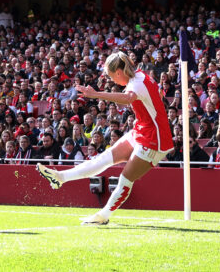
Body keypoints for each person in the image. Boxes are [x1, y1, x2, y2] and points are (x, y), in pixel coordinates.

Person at [36, 52, 173, 226]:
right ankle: (60, 177)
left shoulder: (137, 83)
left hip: (155, 139)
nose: (113, 81)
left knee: (125, 179)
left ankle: (103, 216)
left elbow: (127, 98)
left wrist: (96, 94)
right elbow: (155, 96)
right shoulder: (140, 76)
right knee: (103, 159)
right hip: (142, 129)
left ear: (118, 72)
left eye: (111, 76)